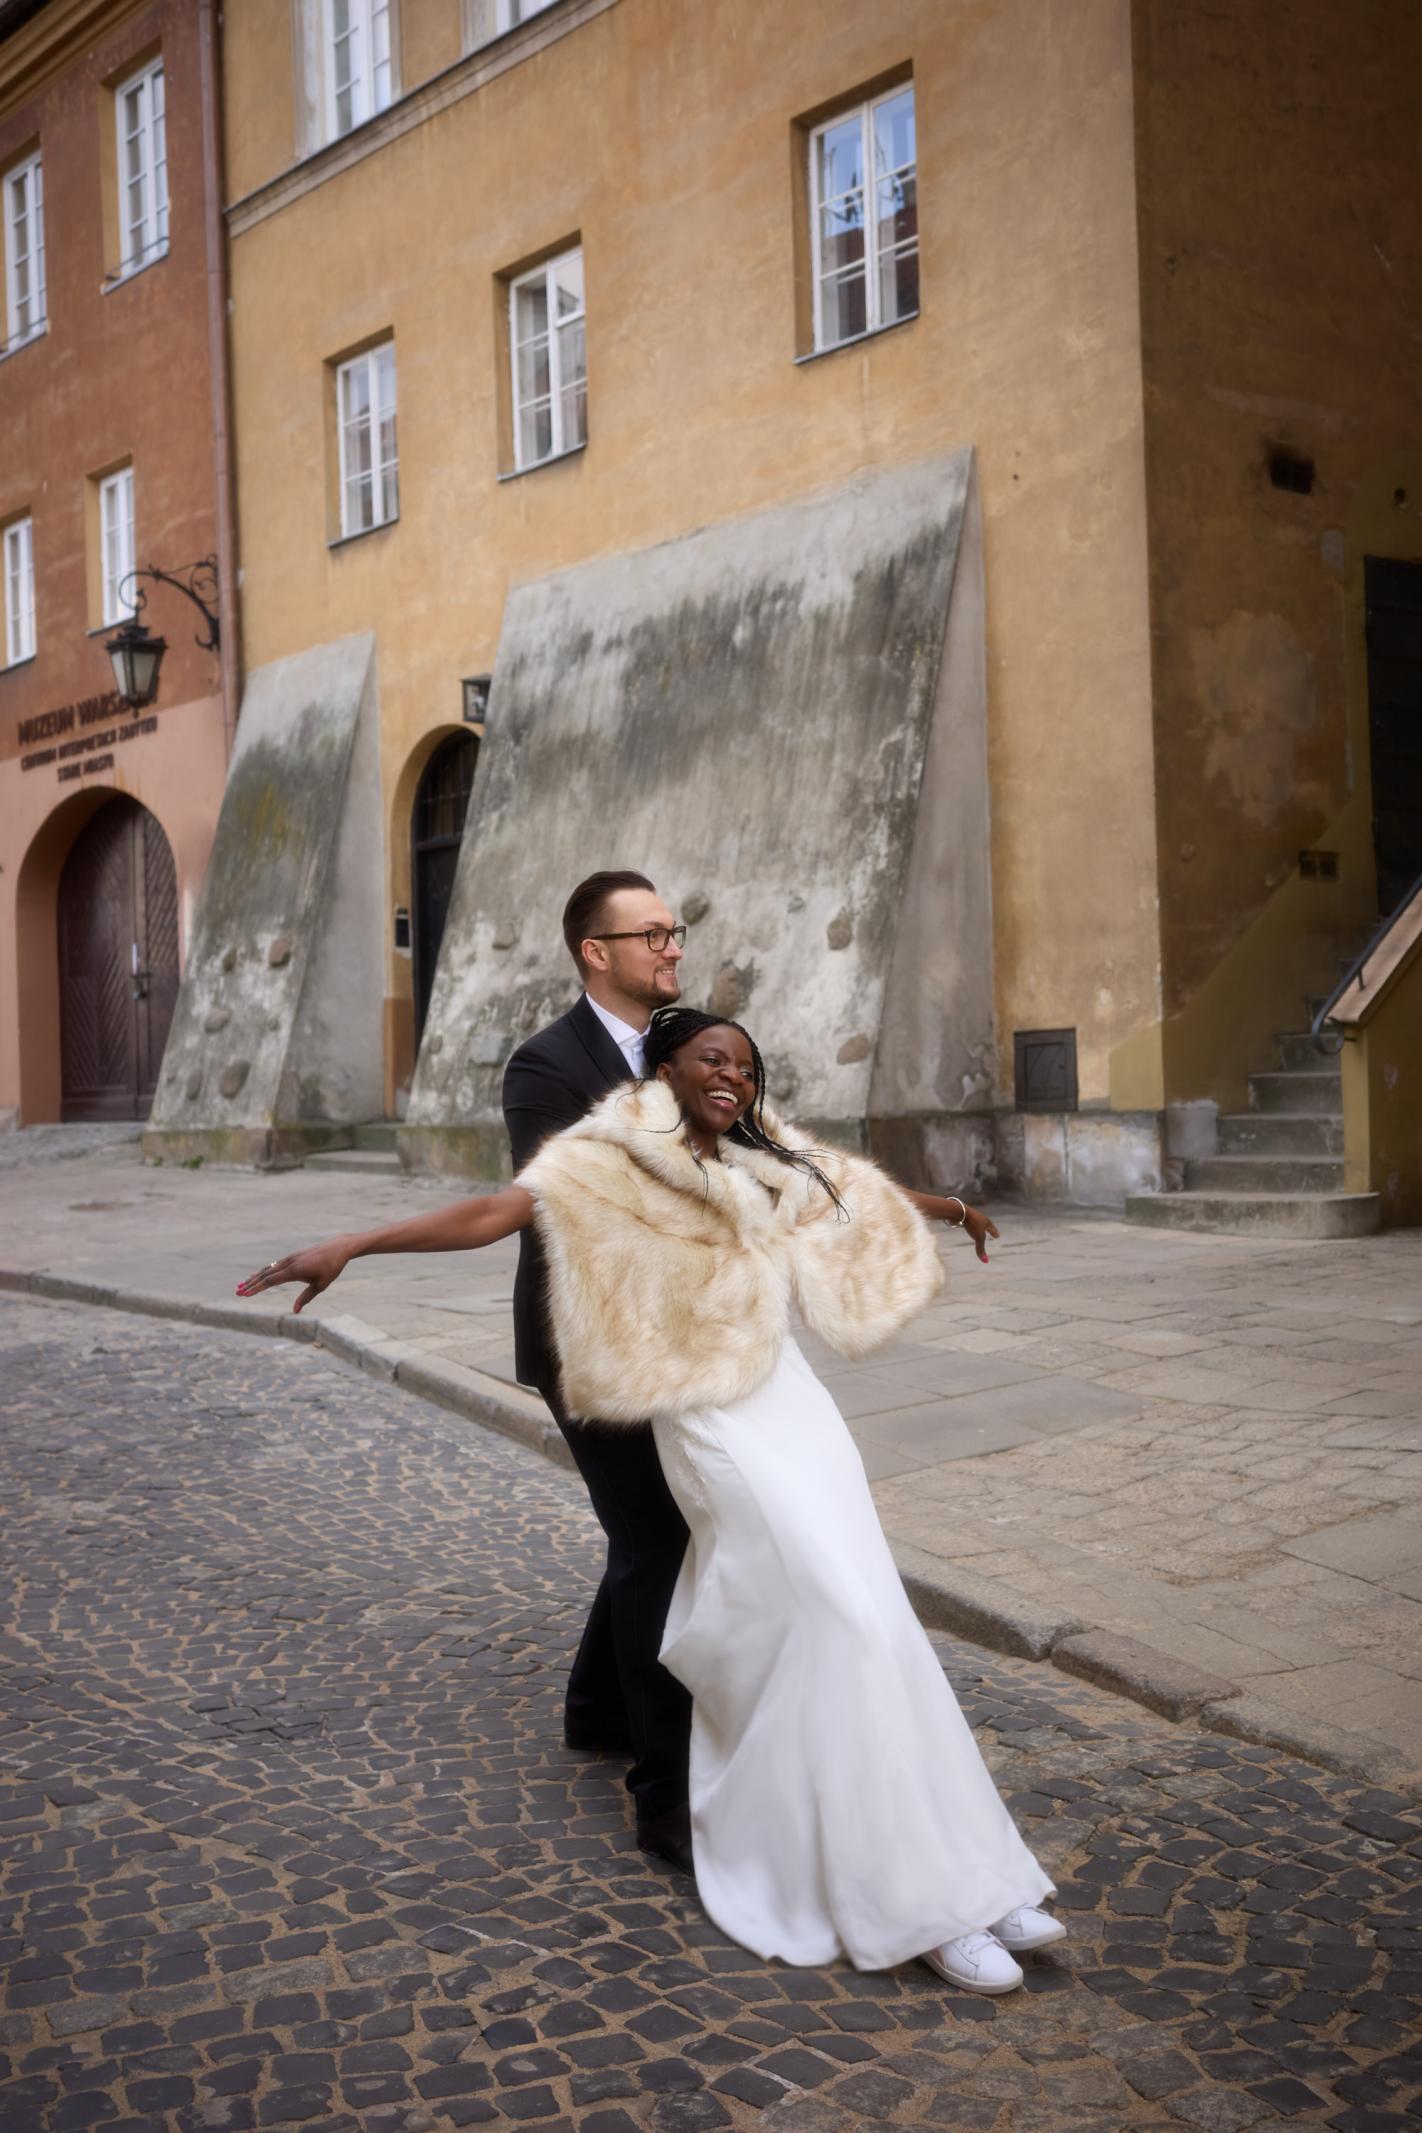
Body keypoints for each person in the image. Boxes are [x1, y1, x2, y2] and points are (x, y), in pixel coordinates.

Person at [237, 1008, 1061, 1992]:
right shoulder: (608, 1152)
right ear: (664, 1066)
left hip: (793, 1406)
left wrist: (951, 1208)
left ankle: (973, 1874)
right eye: (713, 1058)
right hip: (706, 1417)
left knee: (876, 1616)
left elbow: (848, 1189)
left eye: (747, 1067)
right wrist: (355, 1242)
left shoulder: (758, 1151)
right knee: (835, 1613)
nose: (733, 1076)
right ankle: (913, 1901)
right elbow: (494, 1213)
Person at [499, 873, 999, 1878]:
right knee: (656, 1540)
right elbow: (558, 1208)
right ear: (596, 952)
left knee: (654, 1529)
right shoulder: (546, 1066)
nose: (672, 948)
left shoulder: (696, 1049)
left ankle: (596, 1706)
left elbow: (787, 1160)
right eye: (651, 934)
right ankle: (666, 1801)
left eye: (674, 931)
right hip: (596, 1348)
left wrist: (931, 1205)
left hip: (693, 1341)